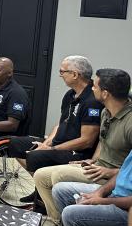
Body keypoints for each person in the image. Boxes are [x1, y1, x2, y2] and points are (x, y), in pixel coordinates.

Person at [34, 68, 132, 226]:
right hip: (99, 167)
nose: (92, 88)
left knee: (58, 176)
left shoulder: (129, 122)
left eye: (95, 86)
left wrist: (111, 172)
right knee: (41, 176)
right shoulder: (106, 112)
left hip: (112, 175)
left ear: (105, 93)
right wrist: (92, 160)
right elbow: (102, 141)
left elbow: (128, 167)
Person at [6, 56, 102, 203]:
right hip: (58, 144)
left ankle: (43, 193)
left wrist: (52, 149)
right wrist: (47, 144)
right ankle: (40, 189)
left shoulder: (92, 101)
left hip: (77, 152)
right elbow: (61, 124)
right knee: (15, 143)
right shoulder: (70, 94)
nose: (60, 75)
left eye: (62, 71)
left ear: (75, 74)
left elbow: (86, 141)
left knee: (35, 157)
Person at [50, 147, 132, 226]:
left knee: (71, 215)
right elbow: (122, 172)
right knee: (60, 190)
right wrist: (99, 192)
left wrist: (101, 201)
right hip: (115, 195)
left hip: (127, 212)